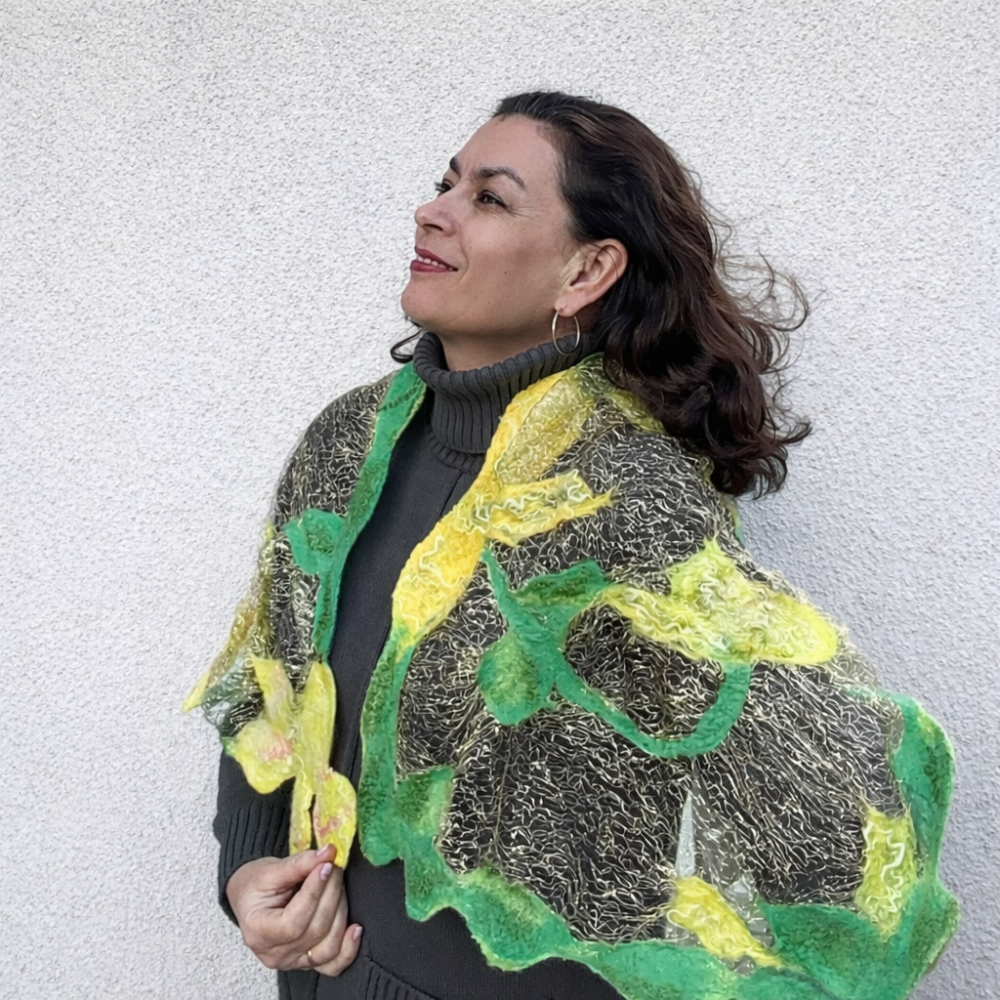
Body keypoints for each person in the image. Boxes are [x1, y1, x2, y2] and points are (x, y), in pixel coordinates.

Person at [186, 91, 958, 1000]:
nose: (433, 211)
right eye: (446, 183)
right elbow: (272, 682)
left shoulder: (621, 494)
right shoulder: (348, 446)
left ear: (587, 270)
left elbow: (822, 802)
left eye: (489, 198)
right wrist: (248, 875)